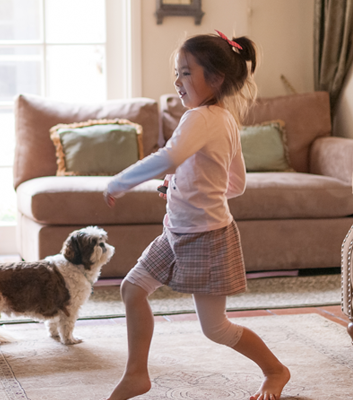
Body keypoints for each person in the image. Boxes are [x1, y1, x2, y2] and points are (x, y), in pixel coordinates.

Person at [102, 31, 290, 400]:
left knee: (216, 328)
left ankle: (275, 370)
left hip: (206, 236)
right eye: (177, 72)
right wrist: (179, 185)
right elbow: (235, 183)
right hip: (176, 232)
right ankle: (136, 374)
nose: (177, 81)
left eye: (186, 72)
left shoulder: (199, 118)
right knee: (132, 289)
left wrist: (119, 182)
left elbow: (168, 157)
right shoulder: (224, 119)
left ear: (216, 79)